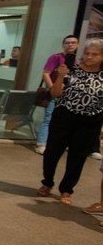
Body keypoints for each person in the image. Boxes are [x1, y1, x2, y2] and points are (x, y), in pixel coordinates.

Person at [37, 38, 103, 206]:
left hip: (90, 121)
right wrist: (60, 76)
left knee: (77, 157)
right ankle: (47, 182)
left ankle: (66, 189)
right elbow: (56, 93)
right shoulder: (72, 69)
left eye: (94, 54)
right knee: (52, 153)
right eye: (87, 53)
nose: (89, 57)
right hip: (64, 117)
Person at [36, 35, 79, 155]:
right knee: (48, 118)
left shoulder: (76, 61)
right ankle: (41, 143)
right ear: (63, 44)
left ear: (77, 45)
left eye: (73, 43)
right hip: (55, 94)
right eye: (67, 43)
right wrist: (52, 89)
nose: (70, 45)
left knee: (64, 120)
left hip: (68, 95)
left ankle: (57, 143)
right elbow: (46, 74)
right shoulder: (55, 58)